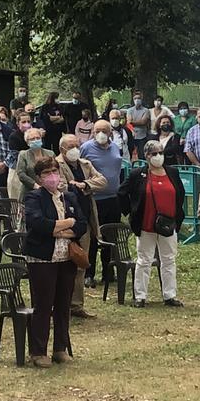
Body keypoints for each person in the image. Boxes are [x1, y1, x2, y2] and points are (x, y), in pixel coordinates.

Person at [22, 157, 87, 367]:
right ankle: (38, 351)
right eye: (47, 173)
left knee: (63, 304)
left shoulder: (69, 197)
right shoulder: (33, 197)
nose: (52, 177)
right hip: (42, 259)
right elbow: (38, 223)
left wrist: (63, 229)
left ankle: (60, 348)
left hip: (66, 257)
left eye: (54, 172)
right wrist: (67, 223)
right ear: (39, 178)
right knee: (43, 304)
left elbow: (82, 224)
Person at [118, 140, 184, 308]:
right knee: (144, 260)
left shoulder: (172, 173)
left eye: (160, 152)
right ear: (146, 156)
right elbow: (121, 193)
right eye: (154, 153)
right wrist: (131, 212)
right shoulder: (137, 174)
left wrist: (177, 218)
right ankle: (140, 296)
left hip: (168, 225)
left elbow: (180, 195)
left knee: (169, 260)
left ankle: (170, 295)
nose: (158, 156)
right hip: (146, 225)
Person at [58, 134, 106, 314]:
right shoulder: (56, 164)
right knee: (63, 263)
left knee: (80, 261)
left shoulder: (85, 164)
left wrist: (84, 184)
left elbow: (102, 180)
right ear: (62, 149)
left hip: (84, 220)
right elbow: (61, 186)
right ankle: (61, 304)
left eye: (77, 145)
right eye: (71, 146)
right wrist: (71, 186)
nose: (75, 149)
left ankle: (76, 305)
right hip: (65, 221)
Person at [80, 119, 123, 289]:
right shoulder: (86, 148)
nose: (101, 134)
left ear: (110, 132)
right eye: (97, 130)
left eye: (104, 130)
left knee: (110, 236)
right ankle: (89, 274)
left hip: (113, 198)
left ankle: (108, 271)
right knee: (92, 237)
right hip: (95, 199)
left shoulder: (114, 147)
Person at [16, 127, 55, 197]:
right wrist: (35, 185)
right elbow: (21, 174)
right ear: (27, 142)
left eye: (38, 138)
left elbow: (56, 169)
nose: (35, 140)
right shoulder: (23, 155)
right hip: (29, 192)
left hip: (50, 191)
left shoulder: (50, 154)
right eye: (32, 139)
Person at [125, 91, 152, 160]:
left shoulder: (146, 110)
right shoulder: (129, 110)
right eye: (135, 98)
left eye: (139, 98)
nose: (137, 100)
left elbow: (143, 122)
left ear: (141, 99)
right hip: (131, 135)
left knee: (142, 155)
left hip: (142, 136)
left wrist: (133, 122)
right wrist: (137, 122)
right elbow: (129, 122)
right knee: (130, 154)